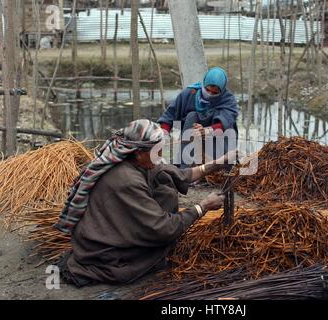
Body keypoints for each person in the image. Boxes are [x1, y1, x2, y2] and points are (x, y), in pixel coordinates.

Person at [54, 119, 230, 287]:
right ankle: (143, 249)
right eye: (157, 151)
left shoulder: (134, 160)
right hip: (105, 251)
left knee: (164, 185)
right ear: (139, 153)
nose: (160, 156)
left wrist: (218, 163)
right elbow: (162, 227)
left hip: (114, 226)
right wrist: (203, 206)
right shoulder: (126, 179)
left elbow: (179, 174)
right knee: (156, 249)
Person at [158, 67, 239, 167]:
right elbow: (170, 115)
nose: (210, 94)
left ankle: (218, 168)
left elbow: (226, 121)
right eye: (207, 90)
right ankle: (186, 168)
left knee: (215, 168)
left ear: (221, 91)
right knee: (192, 116)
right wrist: (163, 134)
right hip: (191, 136)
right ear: (203, 84)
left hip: (218, 138)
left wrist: (207, 131)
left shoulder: (228, 100)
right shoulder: (189, 94)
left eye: (214, 93)